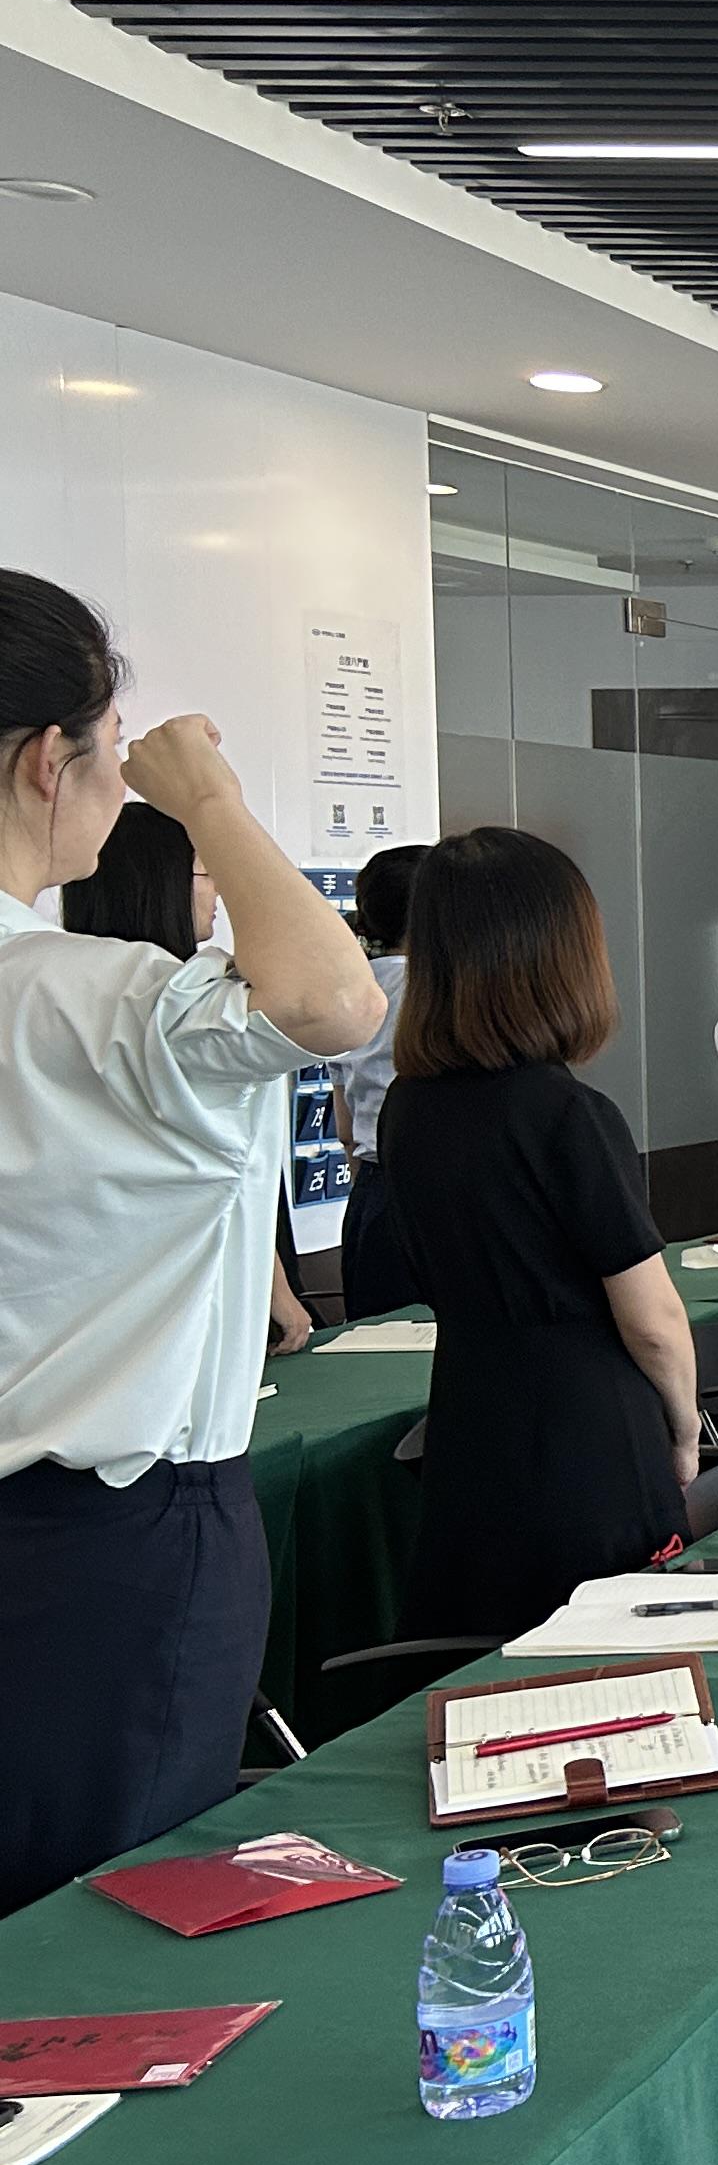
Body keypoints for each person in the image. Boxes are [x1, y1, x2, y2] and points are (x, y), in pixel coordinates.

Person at [0, 569, 381, 1915]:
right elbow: (334, 1002)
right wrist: (209, 795)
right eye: (114, 747)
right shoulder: (94, 999)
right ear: (50, 761)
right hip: (112, 1535)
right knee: (105, 1918)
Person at [373, 828, 701, 1637]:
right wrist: (687, 1426)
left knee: (492, 1654)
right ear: (558, 955)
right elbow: (653, 1321)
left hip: (469, 1421)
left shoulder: (406, 1107)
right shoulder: (567, 1113)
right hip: (587, 1434)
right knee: (610, 1659)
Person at [63, 796, 313, 1358]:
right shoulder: (188, 1007)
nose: (218, 890)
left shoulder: (62, 991)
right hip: (180, 1287)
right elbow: (336, 1004)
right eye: (206, 871)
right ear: (160, 882)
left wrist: (272, 1281)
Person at [328, 839, 425, 1319]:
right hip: (437, 1195)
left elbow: (346, 1130)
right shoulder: (440, 990)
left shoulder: (349, 992)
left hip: (374, 1194)